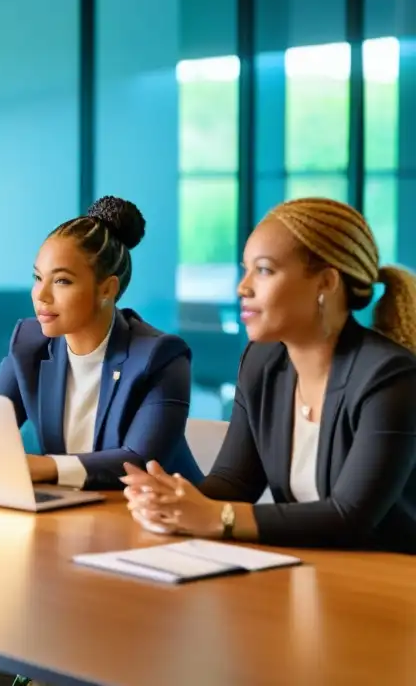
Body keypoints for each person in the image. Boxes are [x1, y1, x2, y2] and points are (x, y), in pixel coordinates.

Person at [0, 196, 201, 686]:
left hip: (147, 529)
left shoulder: (159, 356)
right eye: (38, 277)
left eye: (61, 281)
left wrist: (46, 467)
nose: (41, 296)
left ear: (107, 288)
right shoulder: (29, 342)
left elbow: (139, 459)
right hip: (67, 525)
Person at [123, 197, 416, 554]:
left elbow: (350, 517)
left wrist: (218, 518)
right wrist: (171, 499)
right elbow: (234, 482)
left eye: (263, 270)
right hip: (310, 571)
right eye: (245, 269)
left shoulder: (391, 377)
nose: (242, 287)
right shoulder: (263, 361)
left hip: (389, 584)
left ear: (325, 282)